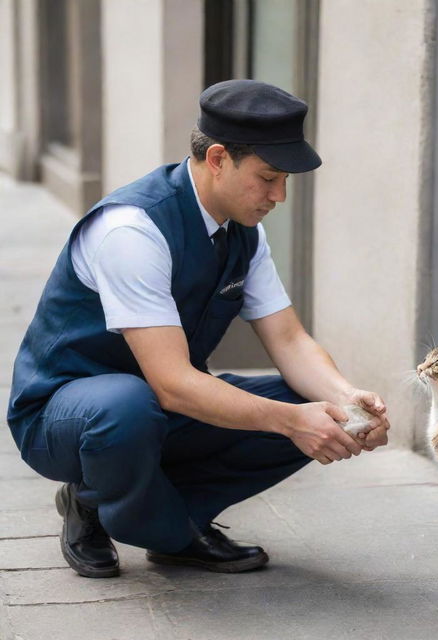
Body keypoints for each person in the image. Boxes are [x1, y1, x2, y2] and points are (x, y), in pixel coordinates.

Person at [7, 79, 390, 579]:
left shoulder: (243, 231)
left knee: (310, 407)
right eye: (268, 177)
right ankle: (114, 512)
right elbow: (171, 383)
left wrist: (347, 401)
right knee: (127, 405)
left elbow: (290, 340)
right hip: (65, 415)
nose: (280, 195)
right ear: (216, 158)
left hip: (156, 409)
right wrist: (291, 423)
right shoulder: (132, 231)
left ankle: (165, 512)